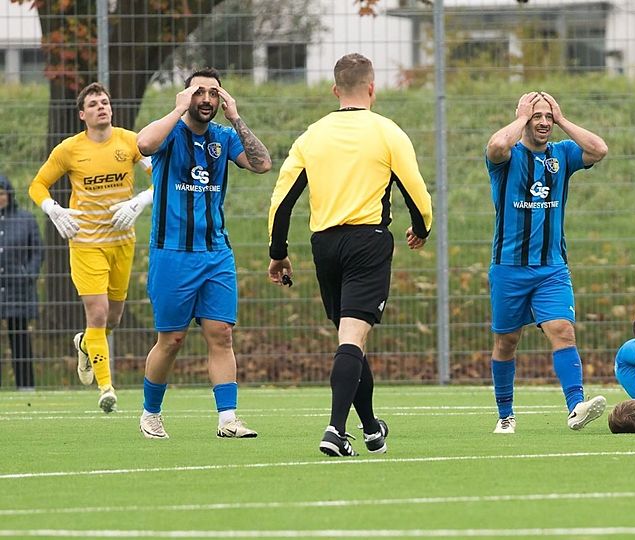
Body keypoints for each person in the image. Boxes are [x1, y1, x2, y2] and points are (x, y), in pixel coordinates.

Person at [267, 53, 432, 457]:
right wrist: (421, 227)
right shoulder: (387, 132)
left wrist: (278, 252)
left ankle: (372, 430)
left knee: (350, 340)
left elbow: (282, 200)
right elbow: (417, 192)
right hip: (367, 242)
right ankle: (335, 430)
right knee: (353, 339)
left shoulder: (312, 135)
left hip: (325, 245)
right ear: (372, 88)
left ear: (335, 90)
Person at [136, 67, 272, 439]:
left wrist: (237, 117)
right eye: (200, 92)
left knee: (221, 334)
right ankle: (150, 413)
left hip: (216, 253)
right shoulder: (170, 133)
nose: (207, 99)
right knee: (172, 339)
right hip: (172, 253)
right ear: (187, 97)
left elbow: (262, 164)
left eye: (214, 93)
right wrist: (176, 110)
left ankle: (228, 419)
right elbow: (144, 145)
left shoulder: (224, 138)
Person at [485, 91, 609, 434]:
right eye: (536, 116)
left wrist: (563, 119)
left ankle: (575, 407)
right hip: (509, 268)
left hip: (551, 267)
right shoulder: (507, 156)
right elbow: (496, 145)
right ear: (523, 118)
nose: (543, 123)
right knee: (506, 342)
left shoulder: (563, 154)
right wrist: (521, 117)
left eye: (547, 117)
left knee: (563, 332)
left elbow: (599, 149)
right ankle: (506, 414)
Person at [27, 82, 153, 411]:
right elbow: (38, 185)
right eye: (94, 103)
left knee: (113, 318)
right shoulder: (69, 150)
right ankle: (106, 388)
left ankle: (84, 343)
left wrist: (141, 200)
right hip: (85, 243)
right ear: (82, 114)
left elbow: (162, 175)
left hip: (122, 242)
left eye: (105, 102)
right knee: (96, 314)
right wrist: (53, 210)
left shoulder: (131, 142)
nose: (102, 107)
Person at [0, 175, 43, 390]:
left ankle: (25, 386)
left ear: (9, 194)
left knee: (19, 337)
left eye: (2, 193)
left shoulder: (25, 219)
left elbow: (37, 251)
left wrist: (29, 274)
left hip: (19, 289)